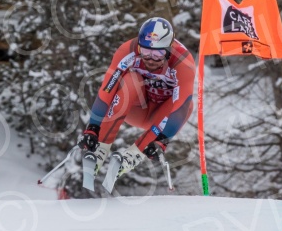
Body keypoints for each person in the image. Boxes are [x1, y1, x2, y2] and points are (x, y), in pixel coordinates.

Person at [78, 17, 195, 179]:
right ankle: (100, 149)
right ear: (139, 46)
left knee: (188, 104)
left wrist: (163, 139)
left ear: (169, 50)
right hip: (138, 108)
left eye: (158, 54)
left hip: (162, 117)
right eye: (146, 52)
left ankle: (133, 155)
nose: (150, 59)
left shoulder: (182, 62)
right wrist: (93, 127)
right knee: (130, 80)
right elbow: (107, 89)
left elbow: (181, 104)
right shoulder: (128, 51)